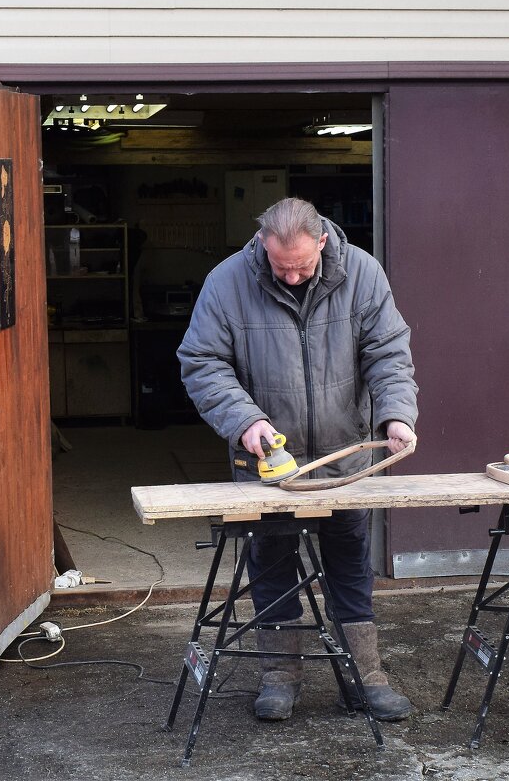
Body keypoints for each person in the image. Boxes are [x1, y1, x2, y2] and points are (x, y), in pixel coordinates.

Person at [177, 197, 418, 722]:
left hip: (341, 459)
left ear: (324, 243)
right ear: (262, 243)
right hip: (267, 463)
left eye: (302, 267)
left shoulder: (364, 275)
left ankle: (365, 675)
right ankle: (279, 675)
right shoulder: (227, 282)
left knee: (350, 566)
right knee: (272, 565)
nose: (289, 277)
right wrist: (246, 422)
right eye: (279, 266)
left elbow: (388, 352)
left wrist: (396, 415)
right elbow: (201, 361)